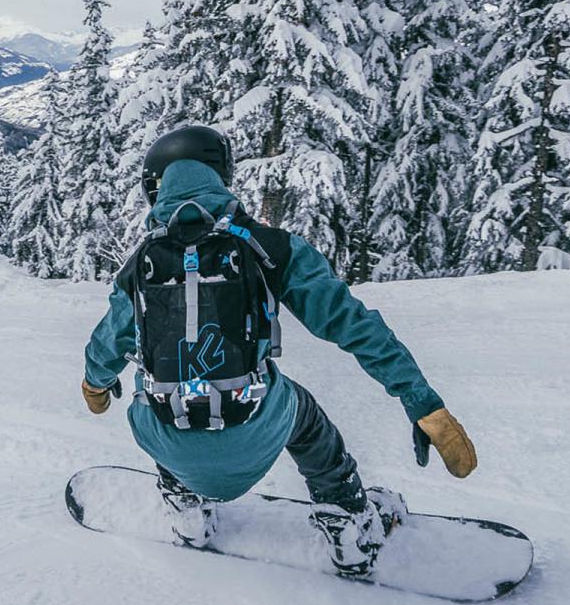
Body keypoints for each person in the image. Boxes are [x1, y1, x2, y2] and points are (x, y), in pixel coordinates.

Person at [80, 126, 476, 575]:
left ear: (156, 188)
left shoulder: (139, 264)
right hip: (255, 432)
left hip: (167, 440)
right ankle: (347, 523)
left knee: (146, 393)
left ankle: (187, 506)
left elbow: (105, 346)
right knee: (303, 414)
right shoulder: (271, 248)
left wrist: (95, 384)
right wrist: (420, 400)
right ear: (219, 176)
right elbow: (355, 326)